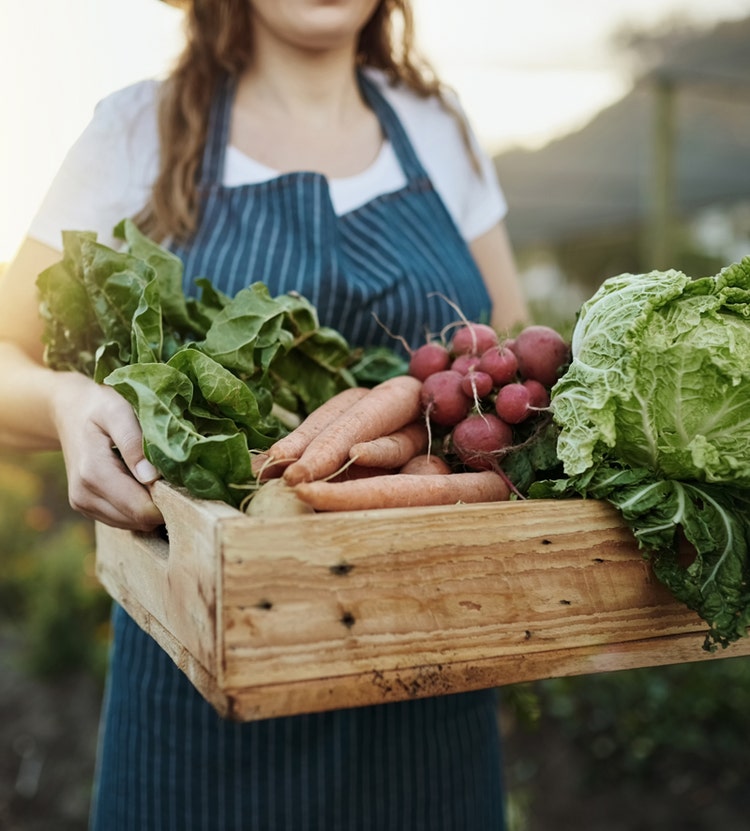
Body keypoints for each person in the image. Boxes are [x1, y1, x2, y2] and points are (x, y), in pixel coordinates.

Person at [0, 0, 529, 828]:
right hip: (201, 695)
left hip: (430, 676)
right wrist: (68, 400)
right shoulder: (137, 129)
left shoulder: (436, 124)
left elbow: (503, 365)